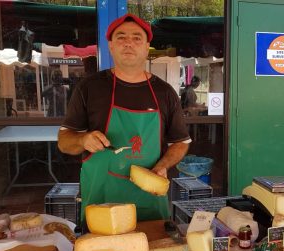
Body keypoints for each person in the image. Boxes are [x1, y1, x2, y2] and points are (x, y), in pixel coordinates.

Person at [57, 13, 191, 222]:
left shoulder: (164, 92)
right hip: (101, 202)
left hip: (148, 202)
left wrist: (162, 166)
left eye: (137, 38)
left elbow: (180, 142)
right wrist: (83, 140)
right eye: (121, 37)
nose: (129, 43)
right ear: (110, 46)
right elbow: (64, 142)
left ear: (147, 47)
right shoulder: (89, 88)